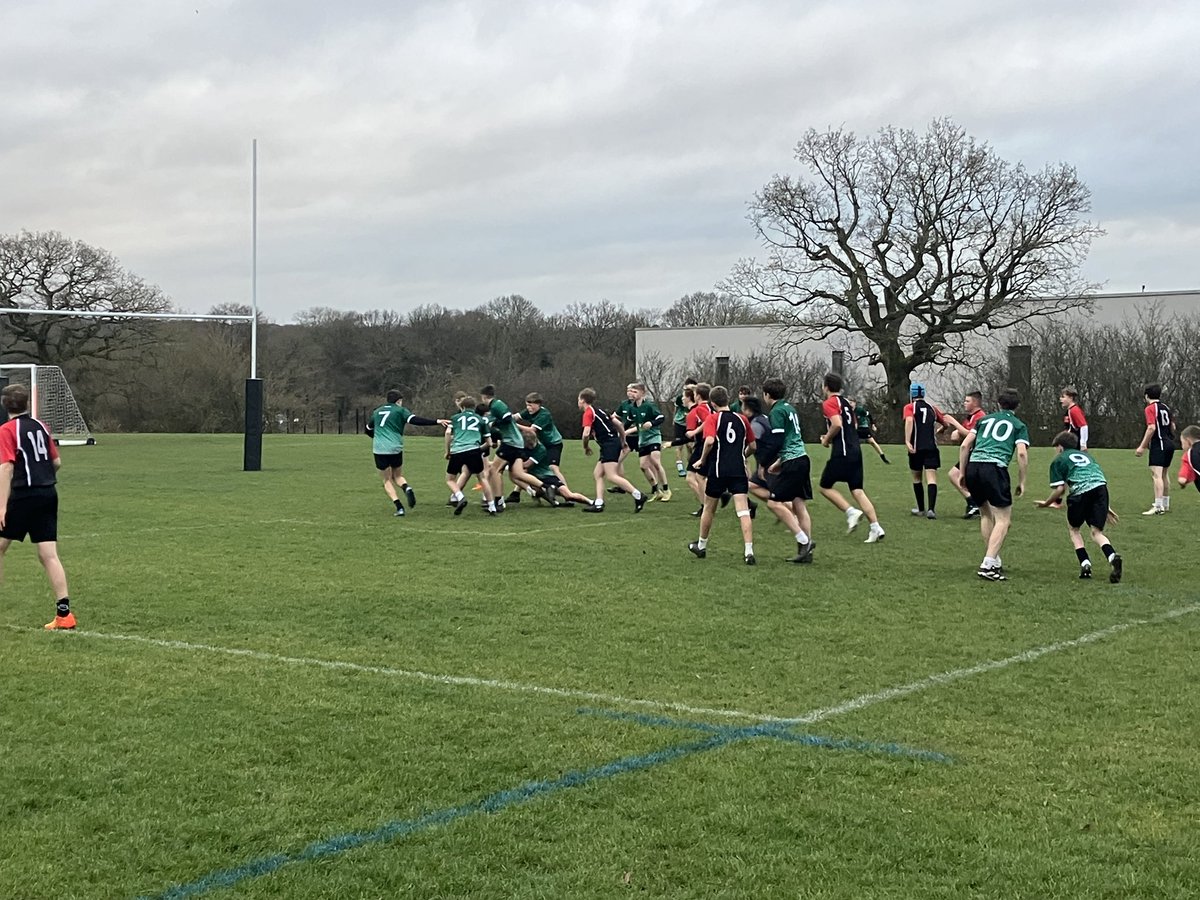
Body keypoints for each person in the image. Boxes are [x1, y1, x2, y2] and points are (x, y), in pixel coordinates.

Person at [0, 384, 74, 630]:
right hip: (48, 493)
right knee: (48, 555)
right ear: (28, 404)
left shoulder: (7, 430)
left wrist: (1, 506)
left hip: (22, 495)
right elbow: (57, 462)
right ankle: (64, 614)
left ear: (4, 405)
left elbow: (6, 467)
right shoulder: (41, 426)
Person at [959, 388, 1030, 581]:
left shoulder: (983, 420)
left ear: (999, 403)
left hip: (974, 466)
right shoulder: (1018, 425)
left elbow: (965, 445)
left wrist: (963, 472)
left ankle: (993, 559)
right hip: (994, 469)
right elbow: (1022, 453)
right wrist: (1022, 481)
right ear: (1017, 405)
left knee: (985, 514)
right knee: (1003, 519)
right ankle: (988, 563)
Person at [1034, 431, 1123, 583]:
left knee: (1074, 529)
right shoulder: (1088, 457)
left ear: (1060, 447)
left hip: (1080, 493)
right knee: (1096, 532)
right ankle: (1112, 556)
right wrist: (1105, 506)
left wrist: (1046, 503)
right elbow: (1095, 480)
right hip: (1101, 490)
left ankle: (1085, 564)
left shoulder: (1059, 460)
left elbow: (1060, 489)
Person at [688, 386, 757, 565]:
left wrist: (702, 460)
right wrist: (742, 455)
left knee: (709, 508)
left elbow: (709, 441)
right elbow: (753, 446)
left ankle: (701, 545)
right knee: (743, 510)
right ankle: (749, 551)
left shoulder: (713, 418)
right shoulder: (742, 419)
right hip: (738, 470)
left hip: (718, 470)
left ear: (712, 403)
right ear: (728, 399)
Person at [818, 372, 885, 543]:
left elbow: (837, 424)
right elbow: (852, 425)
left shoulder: (829, 403)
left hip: (843, 452)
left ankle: (851, 512)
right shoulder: (847, 403)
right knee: (857, 490)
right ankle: (876, 527)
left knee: (824, 487)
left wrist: (826, 439)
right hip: (855, 450)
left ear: (826, 387)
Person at [366, 389, 445, 516]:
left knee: (387, 480)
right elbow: (415, 420)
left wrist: (377, 437)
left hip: (380, 449)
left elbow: (368, 429)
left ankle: (399, 507)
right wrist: (436, 421)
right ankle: (406, 487)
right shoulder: (400, 410)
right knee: (397, 476)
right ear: (399, 401)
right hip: (395, 447)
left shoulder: (377, 411)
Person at [761, 378, 816, 564]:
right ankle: (805, 554)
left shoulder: (776, 411)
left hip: (792, 461)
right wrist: (779, 462)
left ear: (767, 395)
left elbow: (778, 440)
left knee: (773, 503)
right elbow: (792, 438)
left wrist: (764, 462)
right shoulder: (790, 408)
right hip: (802, 458)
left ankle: (804, 540)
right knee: (799, 504)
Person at [479, 385, 554, 508]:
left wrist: (494, 423)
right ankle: (546, 487)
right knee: (518, 473)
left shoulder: (496, 405)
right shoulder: (496, 405)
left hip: (511, 442)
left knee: (495, 470)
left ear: (483, 397)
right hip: (517, 442)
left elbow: (507, 418)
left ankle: (498, 501)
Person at [578, 388, 647, 513]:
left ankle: (638, 495)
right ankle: (599, 503)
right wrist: (622, 440)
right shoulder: (600, 411)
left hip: (609, 444)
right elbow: (619, 424)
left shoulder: (588, 413)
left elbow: (586, 433)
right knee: (598, 474)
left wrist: (586, 447)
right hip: (611, 443)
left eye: (579, 400)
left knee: (611, 476)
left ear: (582, 400)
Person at [444, 394, 496, 516]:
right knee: (482, 478)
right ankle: (492, 507)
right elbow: (489, 443)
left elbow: (447, 433)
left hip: (457, 451)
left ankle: (459, 497)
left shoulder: (455, 418)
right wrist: (478, 449)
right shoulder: (481, 419)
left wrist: (447, 451)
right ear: (474, 407)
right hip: (473, 450)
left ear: (462, 407)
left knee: (450, 479)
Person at [904, 383, 948, 519]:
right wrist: (941, 430)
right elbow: (946, 423)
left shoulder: (910, 407)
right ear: (923, 394)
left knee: (917, 477)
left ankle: (921, 509)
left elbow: (910, 421)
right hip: (931, 448)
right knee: (931, 478)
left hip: (916, 448)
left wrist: (907, 440)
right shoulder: (932, 409)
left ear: (912, 394)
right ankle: (931, 510)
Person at [944, 391, 987, 518]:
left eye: (967, 401)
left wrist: (954, 422)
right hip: (970, 452)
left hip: (976, 453)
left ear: (975, 403)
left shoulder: (980, 416)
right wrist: (955, 432)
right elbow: (960, 434)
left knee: (956, 475)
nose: (964, 403)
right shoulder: (971, 417)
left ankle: (974, 503)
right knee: (957, 476)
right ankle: (974, 503)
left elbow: (970, 434)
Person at [625, 383, 671, 501]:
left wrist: (651, 423)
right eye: (632, 392)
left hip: (654, 437)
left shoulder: (649, 406)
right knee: (643, 466)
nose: (633, 394)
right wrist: (620, 431)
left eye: (635, 392)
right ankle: (657, 490)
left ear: (642, 393)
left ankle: (666, 490)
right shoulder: (632, 408)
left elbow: (661, 417)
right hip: (643, 439)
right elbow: (628, 422)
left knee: (655, 461)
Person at [1134, 382, 1175, 515]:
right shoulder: (1166, 407)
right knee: (1164, 474)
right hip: (1169, 443)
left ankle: (1158, 506)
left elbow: (1151, 427)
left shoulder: (1150, 408)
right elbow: (1172, 426)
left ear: (1146, 396)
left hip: (1160, 443)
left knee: (1156, 475)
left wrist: (1142, 446)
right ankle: (1165, 504)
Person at [851, 397, 890, 463]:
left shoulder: (860, 410)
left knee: (872, 442)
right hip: (855, 430)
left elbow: (869, 415)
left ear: (855, 403)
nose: (850, 404)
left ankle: (883, 457)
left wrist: (873, 424)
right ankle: (853, 460)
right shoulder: (848, 411)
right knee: (854, 444)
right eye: (849, 403)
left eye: (851, 403)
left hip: (864, 429)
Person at [671, 378, 697, 476]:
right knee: (679, 445)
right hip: (680, 423)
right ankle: (680, 467)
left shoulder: (696, 398)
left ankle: (691, 466)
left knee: (690, 446)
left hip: (690, 424)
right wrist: (674, 419)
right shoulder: (680, 398)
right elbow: (676, 408)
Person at [1060, 386, 1090, 451]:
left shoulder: (1074, 410)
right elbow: (1068, 429)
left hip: (1075, 447)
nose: (1060, 399)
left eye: (1063, 397)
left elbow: (1084, 426)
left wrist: (1083, 445)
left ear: (1070, 398)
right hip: (1070, 446)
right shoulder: (1069, 411)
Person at [1177, 425, 1200, 493]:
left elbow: (1182, 479)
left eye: (1182, 442)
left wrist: (1182, 483)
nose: (1182, 446)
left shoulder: (1190, 453)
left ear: (1188, 440)